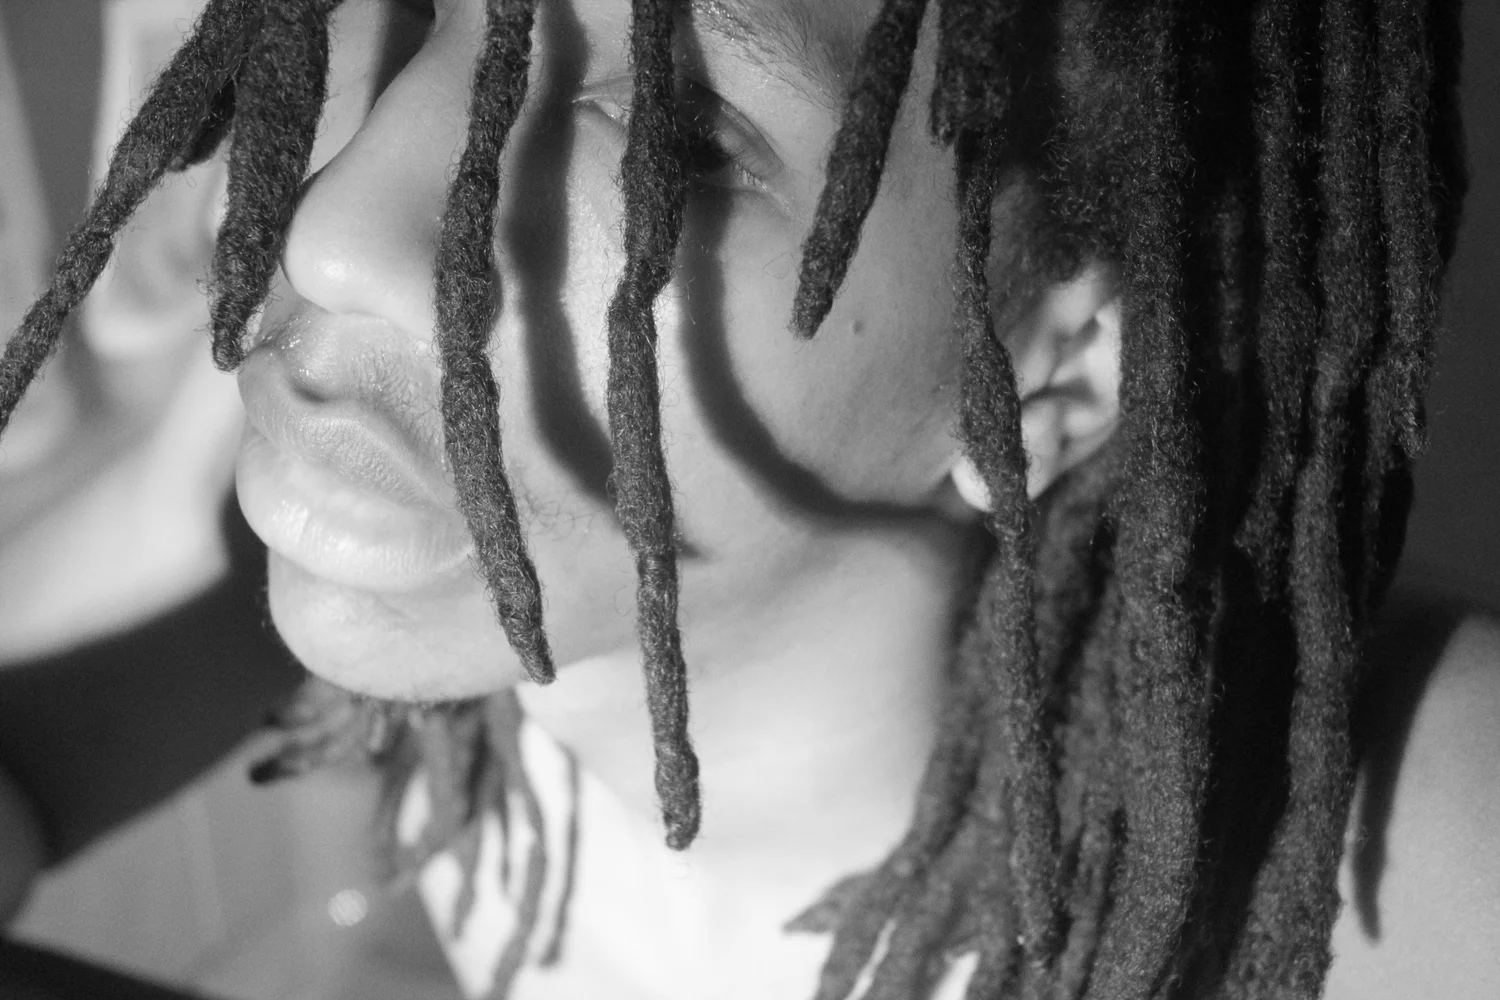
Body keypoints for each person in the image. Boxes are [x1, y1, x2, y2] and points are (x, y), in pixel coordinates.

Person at [1, 0, 1497, 998]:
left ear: (1052, 365)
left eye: (674, 143)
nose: (337, 235)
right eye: (417, 4)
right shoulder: (369, 539)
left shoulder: (1416, 877)